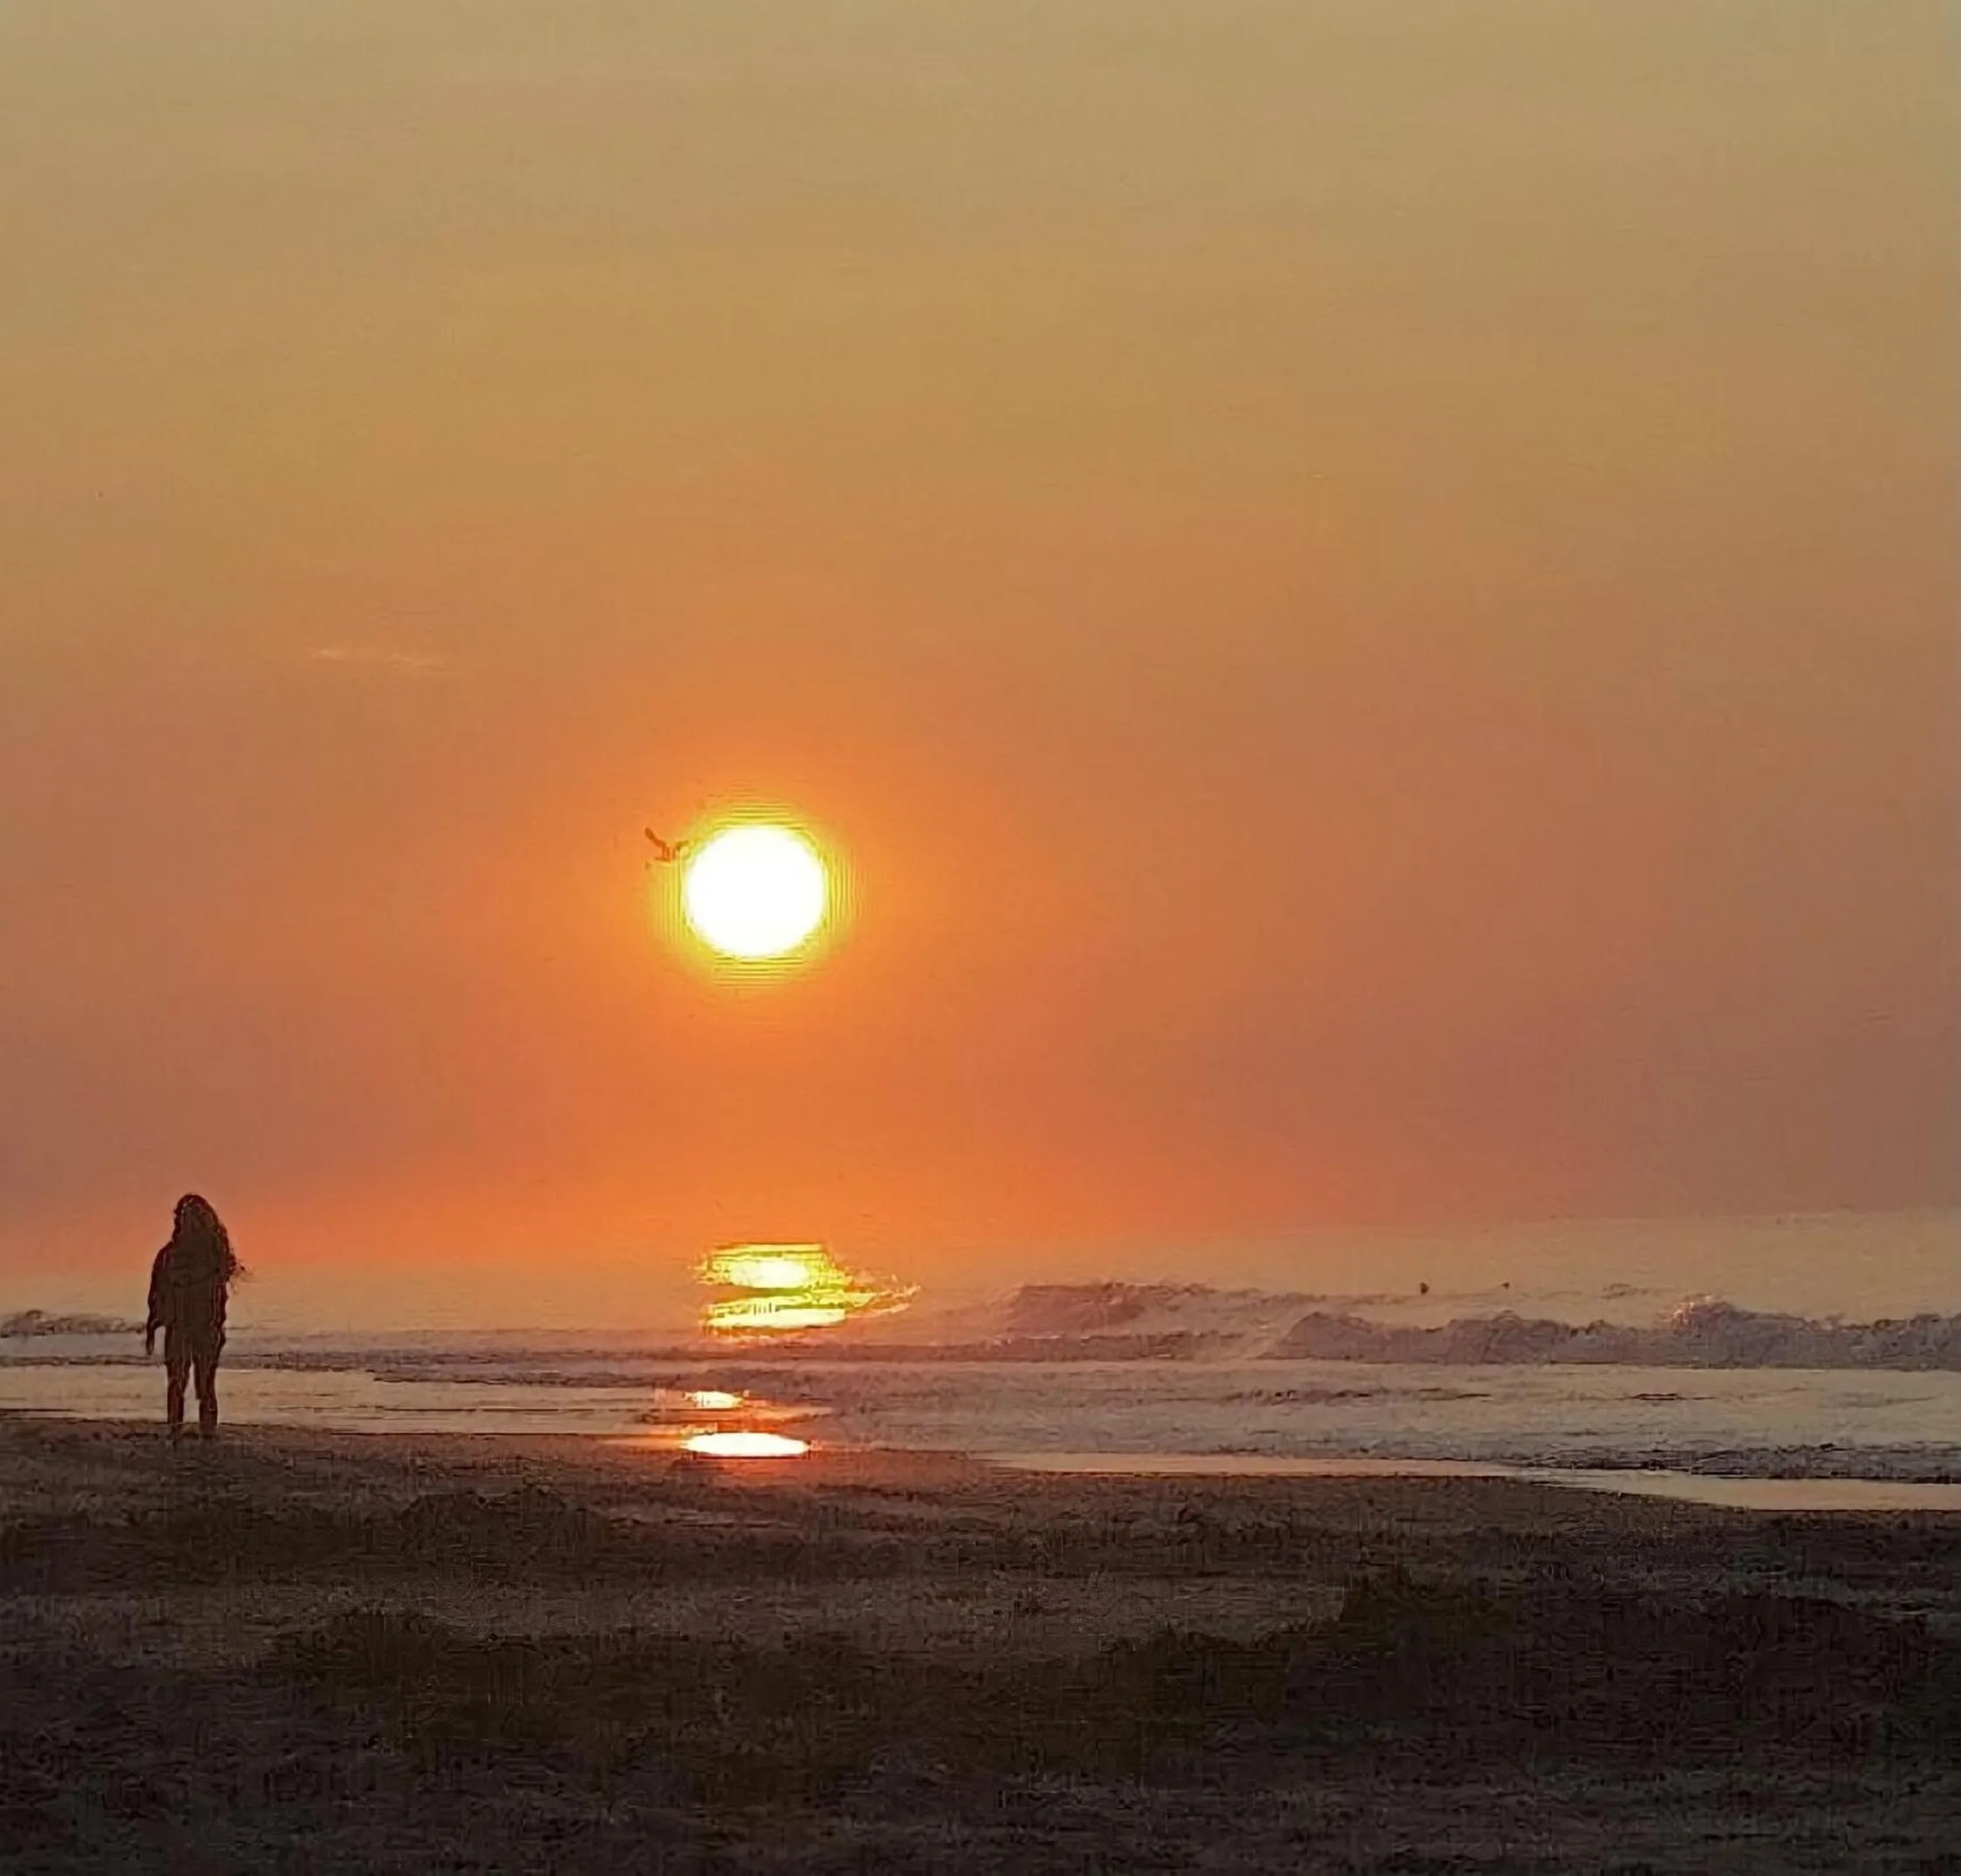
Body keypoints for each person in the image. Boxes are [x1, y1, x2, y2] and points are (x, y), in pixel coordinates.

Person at [144, 1194, 242, 1439]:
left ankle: (205, 1432)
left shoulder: (212, 1257)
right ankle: (176, 1431)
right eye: (185, 1218)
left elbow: (219, 1296)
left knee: (204, 1385)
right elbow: (156, 1291)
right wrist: (153, 1323)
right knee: (178, 1382)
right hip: (180, 1327)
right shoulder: (170, 1256)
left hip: (205, 1328)